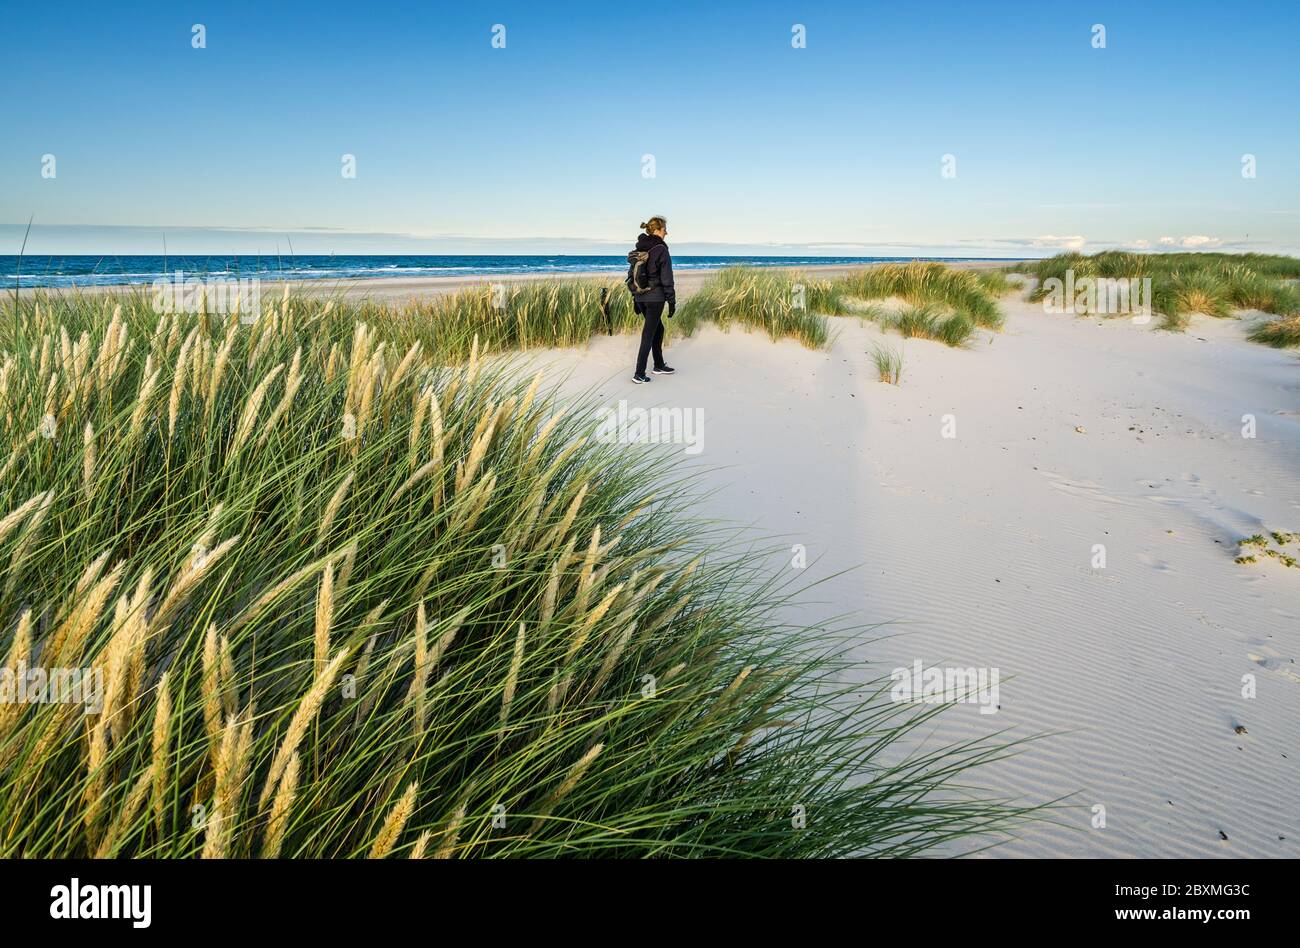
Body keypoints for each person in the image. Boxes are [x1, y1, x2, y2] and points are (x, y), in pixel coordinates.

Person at [629, 216, 676, 384]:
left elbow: (631, 275)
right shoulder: (661, 249)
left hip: (640, 297)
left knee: (659, 329)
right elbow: (667, 278)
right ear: (657, 230)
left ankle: (658, 364)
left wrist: (635, 298)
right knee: (648, 335)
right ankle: (639, 373)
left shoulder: (640, 248)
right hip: (655, 299)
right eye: (664, 230)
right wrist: (671, 301)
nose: (666, 233)